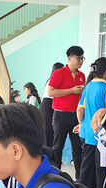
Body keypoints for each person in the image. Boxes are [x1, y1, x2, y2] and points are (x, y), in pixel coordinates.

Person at [76, 57, 106, 188]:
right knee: (102, 176)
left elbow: (80, 109)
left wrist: (82, 125)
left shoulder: (88, 86)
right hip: (102, 137)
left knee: (86, 173)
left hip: (88, 136)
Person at [47, 46, 85, 179]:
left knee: (78, 148)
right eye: (78, 58)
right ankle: (55, 176)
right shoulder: (59, 73)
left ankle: (80, 178)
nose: (80, 61)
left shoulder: (81, 75)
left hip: (76, 115)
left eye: (82, 58)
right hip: (60, 115)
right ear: (70, 58)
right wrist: (71, 90)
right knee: (57, 147)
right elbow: (50, 92)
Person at [41, 62, 64, 148]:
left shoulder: (51, 80)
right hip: (48, 107)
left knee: (49, 133)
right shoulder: (54, 80)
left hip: (48, 106)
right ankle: (48, 156)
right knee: (48, 133)